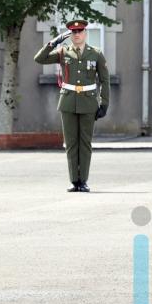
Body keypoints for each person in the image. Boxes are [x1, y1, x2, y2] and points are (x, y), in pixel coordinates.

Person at [34, 19, 110, 193]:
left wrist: (104, 103)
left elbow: (105, 80)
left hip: (89, 102)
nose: (77, 34)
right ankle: (73, 181)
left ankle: (83, 180)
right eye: (73, 32)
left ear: (85, 33)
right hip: (68, 102)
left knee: (85, 143)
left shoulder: (95, 54)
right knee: (70, 143)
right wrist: (55, 41)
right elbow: (39, 59)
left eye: (80, 31)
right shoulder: (63, 52)